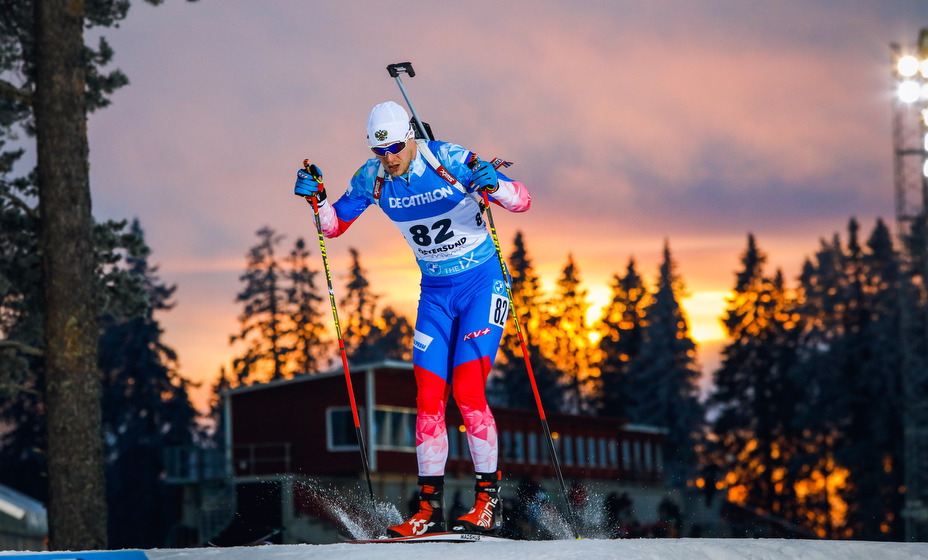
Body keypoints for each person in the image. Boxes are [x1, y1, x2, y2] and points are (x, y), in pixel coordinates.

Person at [294, 101, 532, 537]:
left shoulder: (448, 159)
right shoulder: (372, 178)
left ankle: (487, 503)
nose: (389, 158)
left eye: (395, 148)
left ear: (411, 137)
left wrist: (494, 184)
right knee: (428, 399)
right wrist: (319, 199)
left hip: (483, 284)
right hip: (436, 294)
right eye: (379, 150)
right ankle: (428, 511)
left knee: (468, 391)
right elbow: (333, 226)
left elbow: (522, 201)